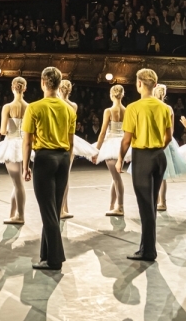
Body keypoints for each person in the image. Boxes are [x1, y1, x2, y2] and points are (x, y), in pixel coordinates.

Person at [22, 66, 75, 271]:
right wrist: (67, 165)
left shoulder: (34, 108)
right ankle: (46, 254)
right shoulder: (68, 109)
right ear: (59, 84)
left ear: (43, 82)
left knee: (48, 212)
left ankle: (55, 259)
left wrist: (26, 165)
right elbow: (71, 144)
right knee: (53, 209)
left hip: (44, 159)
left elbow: (27, 142)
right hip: (62, 159)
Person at [117, 68, 172, 261]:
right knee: (152, 204)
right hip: (159, 156)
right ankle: (147, 247)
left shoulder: (133, 108)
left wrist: (120, 159)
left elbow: (126, 140)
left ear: (139, 84)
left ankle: (148, 251)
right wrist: (158, 149)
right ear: (155, 85)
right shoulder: (165, 108)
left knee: (145, 205)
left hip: (142, 157)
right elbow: (169, 137)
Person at [0, 77, 29, 224]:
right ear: (24, 88)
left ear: (12, 87)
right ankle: (13, 214)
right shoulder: (29, 107)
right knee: (18, 183)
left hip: (12, 144)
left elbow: (2, 130)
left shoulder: (7, 107)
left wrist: (9, 128)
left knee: (18, 183)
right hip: (25, 144)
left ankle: (20, 216)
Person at [57, 79, 99, 219]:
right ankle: (64, 207)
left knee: (59, 176)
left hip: (58, 137)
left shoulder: (55, 102)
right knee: (66, 175)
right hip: (69, 139)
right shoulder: (73, 105)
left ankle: (61, 208)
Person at [146, 84, 186, 211]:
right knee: (163, 175)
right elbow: (171, 131)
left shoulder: (151, 106)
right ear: (164, 94)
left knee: (151, 173)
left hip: (153, 141)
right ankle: (163, 202)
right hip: (166, 141)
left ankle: (153, 200)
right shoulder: (169, 108)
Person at [92, 85, 128, 216]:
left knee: (116, 178)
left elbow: (102, 133)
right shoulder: (127, 110)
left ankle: (121, 207)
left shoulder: (109, 111)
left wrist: (96, 150)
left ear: (111, 95)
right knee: (115, 178)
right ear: (122, 95)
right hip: (122, 144)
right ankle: (112, 205)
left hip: (112, 144)